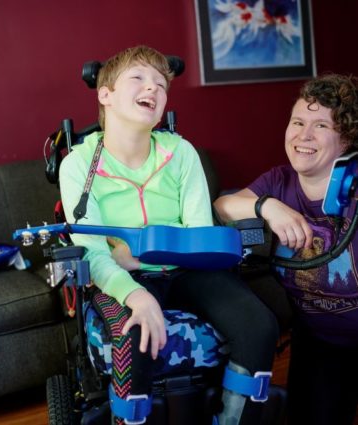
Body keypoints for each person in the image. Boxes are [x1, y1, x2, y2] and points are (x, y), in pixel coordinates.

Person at [59, 45, 278, 425]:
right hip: (120, 278)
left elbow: (200, 238)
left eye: (161, 85)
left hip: (188, 271)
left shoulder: (181, 153)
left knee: (260, 327)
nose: (154, 89)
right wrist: (136, 292)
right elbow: (93, 254)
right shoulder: (78, 165)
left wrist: (136, 252)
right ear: (105, 94)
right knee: (132, 341)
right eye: (139, 79)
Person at [214, 73, 358, 425]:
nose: (303, 135)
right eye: (297, 122)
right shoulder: (279, 182)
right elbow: (223, 205)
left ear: (347, 139)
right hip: (320, 342)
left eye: (321, 125)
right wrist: (267, 206)